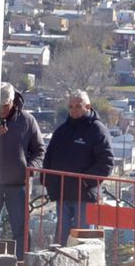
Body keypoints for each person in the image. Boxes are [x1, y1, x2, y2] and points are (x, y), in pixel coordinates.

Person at [40, 90, 114, 242]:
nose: (74, 110)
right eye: (71, 107)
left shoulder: (98, 130)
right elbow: (49, 157)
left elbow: (106, 162)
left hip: (84, 195)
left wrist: (86, 181)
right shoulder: (61, 131)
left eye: (78, 106)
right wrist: (48, 180)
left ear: (88, 107)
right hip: (62, 193)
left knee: (83, 239)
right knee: (60, 238)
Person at [0, 82, 43, 257]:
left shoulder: (27, 121)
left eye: (5, 106)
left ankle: (22, 265)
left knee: (21, 229)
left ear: (13, 102)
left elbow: (39, 150)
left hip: (18, 184)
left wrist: (29, 169)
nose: (1, 110)